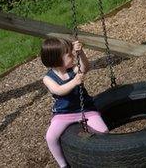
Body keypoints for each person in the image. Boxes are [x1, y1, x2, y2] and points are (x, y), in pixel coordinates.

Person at [40, 38, 109, 168]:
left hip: (86, 109)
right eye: (69, 54)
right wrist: (74, 82)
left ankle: (102, 159)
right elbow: (59, 90)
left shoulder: (73, 69)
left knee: (103, 131)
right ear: (56, 59)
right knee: (50, 137)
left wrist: (80, 53)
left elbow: (86, 67)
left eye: (72, 53)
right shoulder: (48, 78)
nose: (72, 56)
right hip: (63, 113)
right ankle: (63, 164)